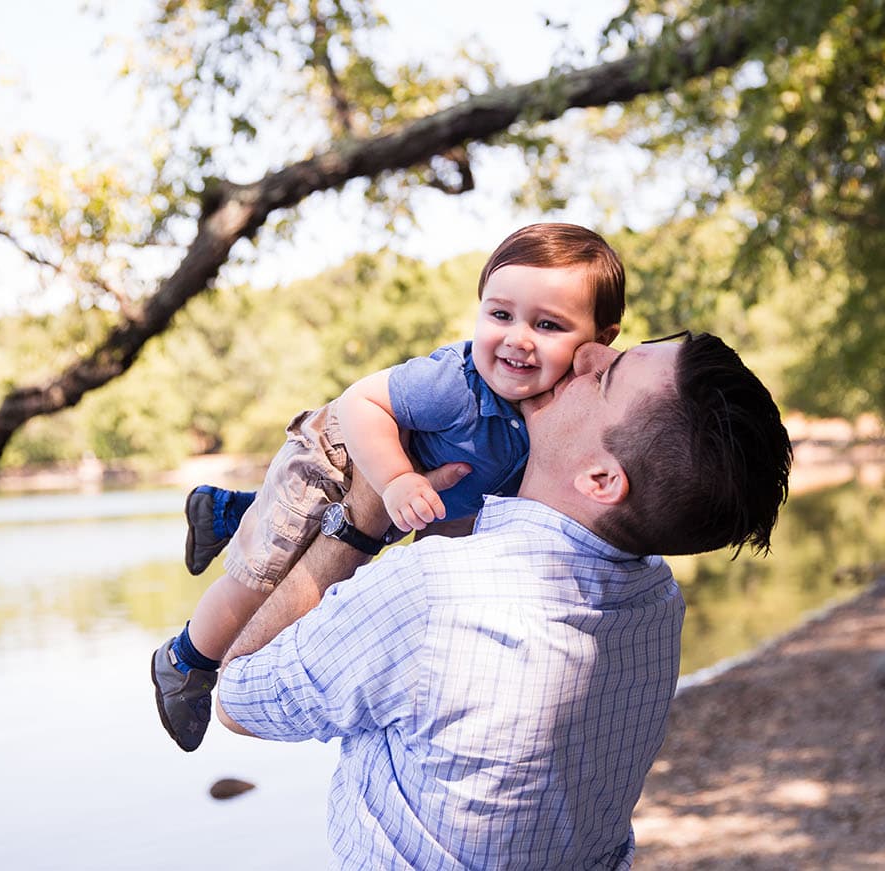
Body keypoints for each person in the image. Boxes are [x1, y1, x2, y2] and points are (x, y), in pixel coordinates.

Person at [215, 331, 792, 870]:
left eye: (606, 376)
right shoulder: (655, 598)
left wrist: (360, 523)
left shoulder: (433, 595)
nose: (587, 352)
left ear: (600, 480)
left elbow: (238, 698)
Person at [151, 223, 625, 752]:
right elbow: (361, 402)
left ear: (600, 341)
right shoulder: (455, 386)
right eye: (500, 314)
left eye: (548, 324)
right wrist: (396, 478)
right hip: (337, 455)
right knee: (263, 574)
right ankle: (186, 660)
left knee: (301, 532)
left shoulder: (562, 410)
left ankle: (227, 514)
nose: (517, 337)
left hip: (391, 492)